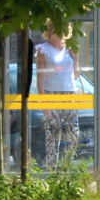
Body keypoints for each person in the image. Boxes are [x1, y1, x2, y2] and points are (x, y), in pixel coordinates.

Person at [35, 20, 80, 168]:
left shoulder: (69, 49)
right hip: (51, 94)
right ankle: (52, 170)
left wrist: (76, 59)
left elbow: (75, 75)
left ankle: (66, 166)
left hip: (69, 94)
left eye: (61, 29)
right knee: (53, 136)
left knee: (74, 134)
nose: (58, 33)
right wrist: (44, 104)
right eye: (54, 29)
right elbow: (40, 78)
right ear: (48, 31)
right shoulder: (43, 50)